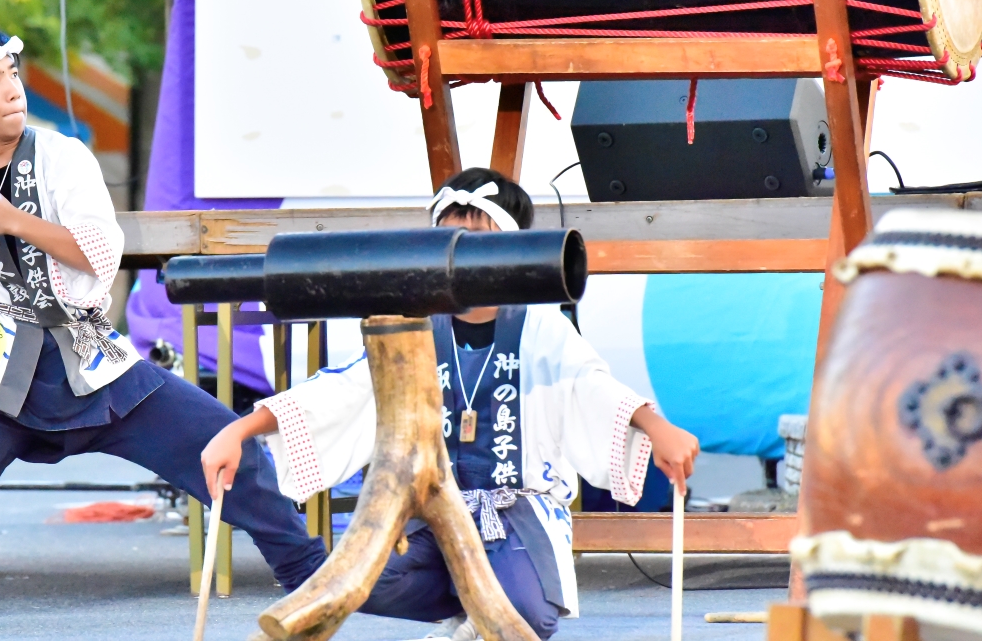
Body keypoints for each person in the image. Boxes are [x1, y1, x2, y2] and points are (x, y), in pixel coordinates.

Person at [0, 0, 324, 632]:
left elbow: (99, 253)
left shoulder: (63, 156)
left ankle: (310, 575)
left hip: (90, 356)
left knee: (224, 449)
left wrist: (13, 221)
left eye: (12, 74)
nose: (12, 90)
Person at [200, 167, 702, 641]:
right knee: (353, 579)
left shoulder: (542, 327)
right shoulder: (415, 324)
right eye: (449, 243)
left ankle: (479, 619)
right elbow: (345, 388)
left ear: (513, 253)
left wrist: (656, 428)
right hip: (431, 513)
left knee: (523, 620)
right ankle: (463, 611)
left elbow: (592, 387)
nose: (462, 259)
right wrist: (238, 430)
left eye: (478, 245)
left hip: (515, 516)